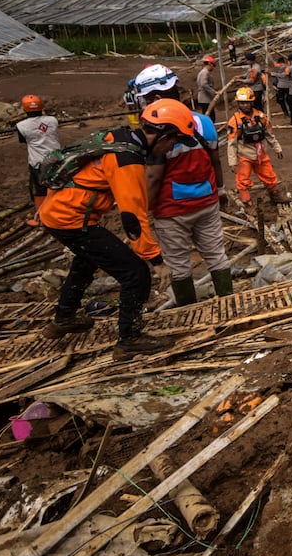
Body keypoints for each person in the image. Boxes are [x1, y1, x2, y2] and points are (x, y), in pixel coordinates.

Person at [38, 99, 192, 359]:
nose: (172, 148)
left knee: (86, 260)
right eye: (174, 141)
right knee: (135, 273)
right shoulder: (127, 160)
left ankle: (64, 317)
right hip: (71, 219)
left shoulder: (120, 137)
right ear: (164, 135)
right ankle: (129, 338)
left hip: (58, 212)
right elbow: (133, 217)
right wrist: (156, 260)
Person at [132, 69, 232, 307]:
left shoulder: (157, 130)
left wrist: (144, 211)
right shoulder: (204, 122)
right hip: (207, 201)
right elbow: (215, 161)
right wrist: (220, 190)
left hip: (171, 210)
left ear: (155, 97)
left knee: (178, 265)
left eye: (146, 99)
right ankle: (229, 301)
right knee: (216, 255)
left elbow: (153, 178)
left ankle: (188, 310)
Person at [226, 87, 286, 206]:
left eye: (247, 103)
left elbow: (269, 134)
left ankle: (275, 195)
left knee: (269, 176)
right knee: (243, 180)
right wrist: (232, 162)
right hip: (244, 156)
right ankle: (247, 202)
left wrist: (277, 148)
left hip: (260, 154)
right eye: (242, 103)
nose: (245, 105)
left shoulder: (261, 117)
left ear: (252, 102)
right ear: (238, 104)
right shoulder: (235, 121)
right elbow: (232, 143)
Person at [16, 94, 61, 228]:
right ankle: (60, 212)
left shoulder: (21, 126)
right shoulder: (52, 120)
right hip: (57, 158)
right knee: (58, 185)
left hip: (38, 162)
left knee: (40, 190)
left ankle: (41, 218)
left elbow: (23, 140)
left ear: (24, 109)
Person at [195, 55, 218, 120]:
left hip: (204, 98)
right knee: (210, 117)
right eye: (213, 65)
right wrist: (214, 92)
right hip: (205, 98)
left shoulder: (203, 72)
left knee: (209, 115)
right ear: (209, 64)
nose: (213, 67)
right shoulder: (205, 73)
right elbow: (204, 84)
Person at [270, 55, 291, 122]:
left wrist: (271, 73)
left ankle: (287, 112)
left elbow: (282, 75)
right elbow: (274, 63)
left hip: (285, 86)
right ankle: (286, 112)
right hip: (282, 86)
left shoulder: (285, 67)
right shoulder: (283, 66)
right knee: (282, 100)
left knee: (285, 100)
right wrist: (269, 56)